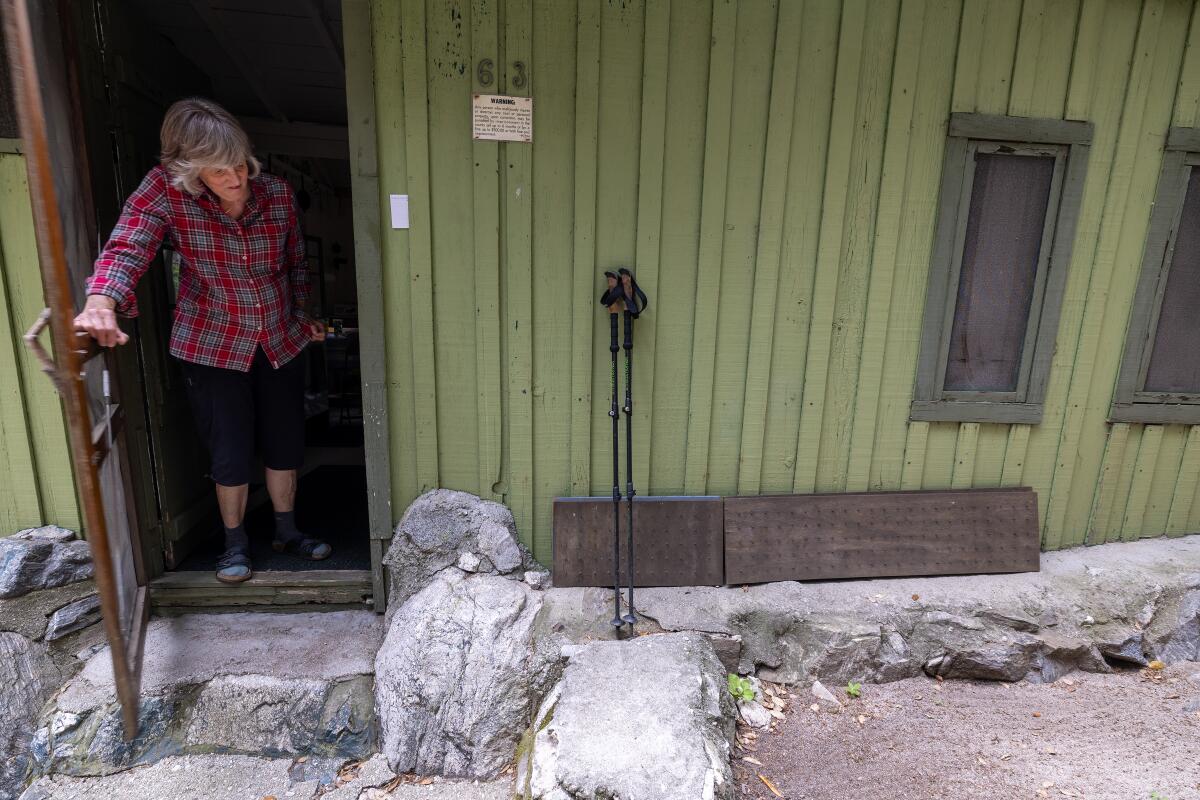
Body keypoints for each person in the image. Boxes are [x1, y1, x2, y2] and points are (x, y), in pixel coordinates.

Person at [74, 97, 332, 584]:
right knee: (230, 449)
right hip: (212, 344)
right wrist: (102, 300)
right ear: (187, 170)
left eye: (240, 166)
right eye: (219, 172)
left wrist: (303, 314)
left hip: (280, 339)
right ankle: (234, 545)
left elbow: (296, 263)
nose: (236, 180)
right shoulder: (164, 192)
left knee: (285, 443)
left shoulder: (276, 194)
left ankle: (287, 530)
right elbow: (129, 244)